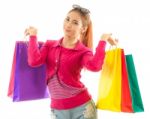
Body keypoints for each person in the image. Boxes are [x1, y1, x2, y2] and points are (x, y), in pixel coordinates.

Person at [24, 4, 117, 119]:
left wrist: (103, 40)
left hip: (83, 109)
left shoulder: (83, 51)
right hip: (57, 110)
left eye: (75, 23)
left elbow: (95, 66)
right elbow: (34, 61)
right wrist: (33, 36)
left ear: (83, 29)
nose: (68, 25)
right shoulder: (50, 45)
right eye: (67, 19)